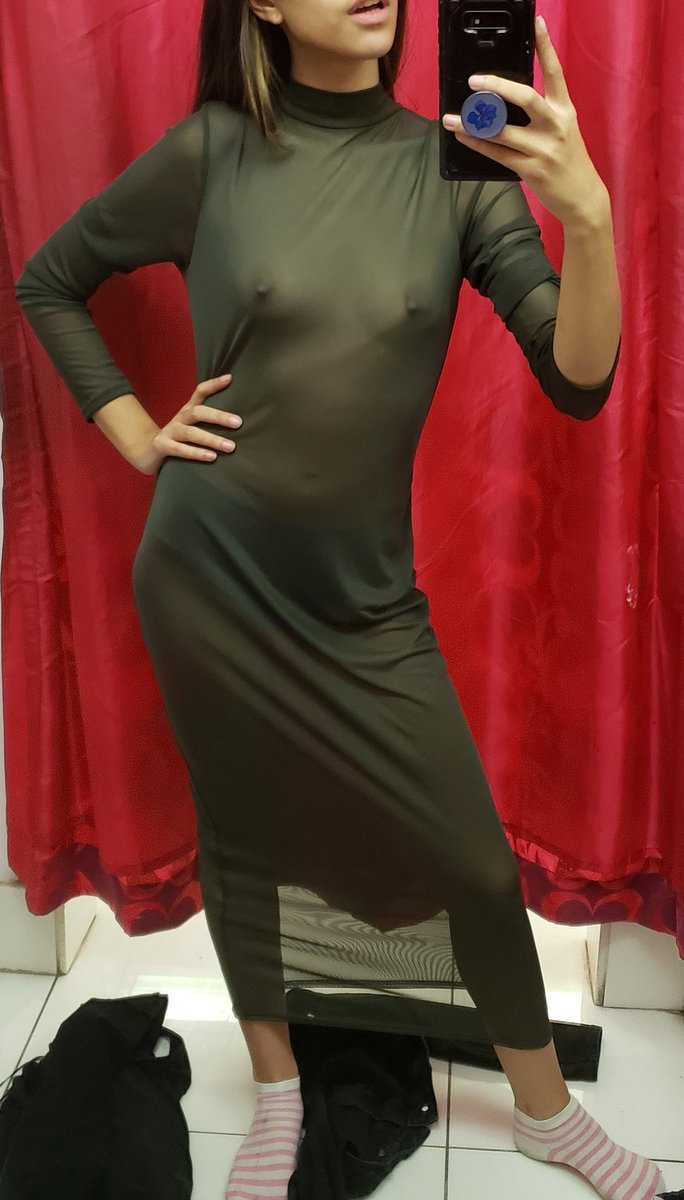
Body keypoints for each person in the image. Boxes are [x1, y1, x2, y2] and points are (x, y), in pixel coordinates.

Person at [14, 2, 663, 1199]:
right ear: (262, 3)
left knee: (476, 868)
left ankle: (547, 1116)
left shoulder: (457, 168)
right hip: (208, 579)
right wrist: (135, 430)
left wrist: (590, 219)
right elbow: (49, 280)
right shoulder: (211, 150)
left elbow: (579, 381)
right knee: (240, 841)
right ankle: (276, 1089)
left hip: (365, 601)